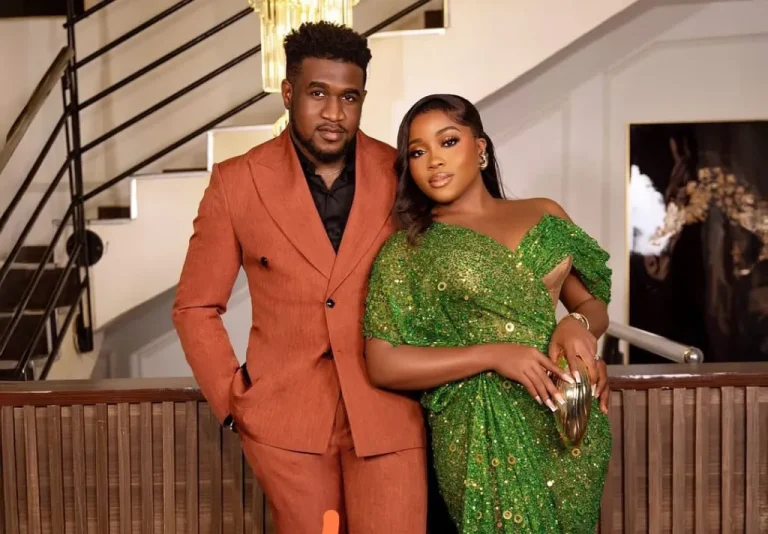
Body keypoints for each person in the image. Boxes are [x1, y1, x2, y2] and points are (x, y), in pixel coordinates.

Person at [172, 22, 426, 534]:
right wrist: (234, 403)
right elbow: (195, 306)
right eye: (317, 93)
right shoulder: (236, 182)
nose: (334, 113)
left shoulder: (402, 172)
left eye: (348, 97)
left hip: (389, 411)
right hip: (286, 422)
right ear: (288, 93)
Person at [363, 94, 612, 533]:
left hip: (566, 415)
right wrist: (494, 354)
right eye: (418, 152)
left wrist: (578, 325)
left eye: (448, 142)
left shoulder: (544, 214)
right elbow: (383, 363)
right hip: (480, 426)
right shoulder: (409, 249)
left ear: (480, 148)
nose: (434, 161)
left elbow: (590, 304)